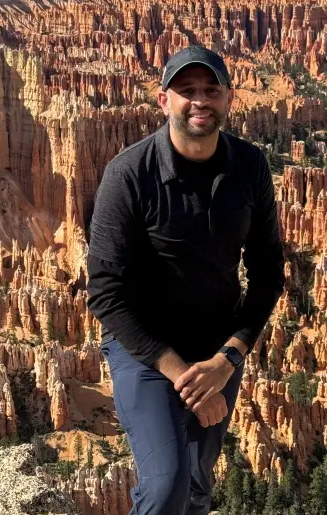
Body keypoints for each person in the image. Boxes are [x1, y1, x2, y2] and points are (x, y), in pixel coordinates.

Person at [86, 45, 285, 515]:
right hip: (145, 347)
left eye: (210, 90)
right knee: (165, 485)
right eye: (186, 90)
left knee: (197, 483)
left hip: (216, 348)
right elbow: (105, 293)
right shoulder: (129, 174)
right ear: (163, 101)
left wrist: (226, 360)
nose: (199, 101)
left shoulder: (250, 166)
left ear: (229, 99)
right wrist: (185, 377)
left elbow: (267, 272)